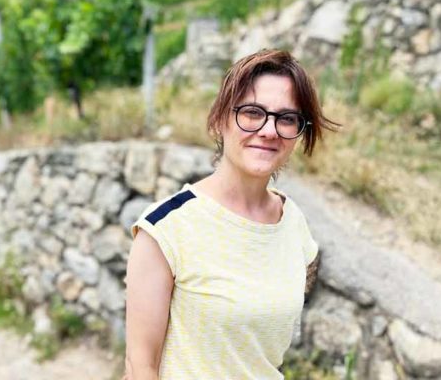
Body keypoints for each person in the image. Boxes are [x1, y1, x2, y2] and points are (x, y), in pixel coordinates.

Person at [124, 49, 338, 379]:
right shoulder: (167, 228)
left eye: (286, 118)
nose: (269, 130)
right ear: (219, 119)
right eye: (252, 113)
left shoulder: (292, 221)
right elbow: (140, 368)